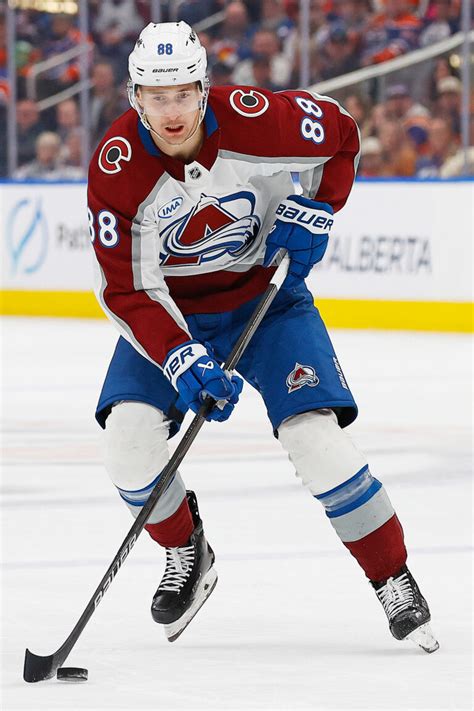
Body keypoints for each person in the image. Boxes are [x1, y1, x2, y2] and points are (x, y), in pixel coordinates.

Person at [87, 21, 439, 652]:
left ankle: (391, 575)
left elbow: (342, 135)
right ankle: (187, 549)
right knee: (128, 445)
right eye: (156, 97)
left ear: (204, 88)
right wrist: (180, 356)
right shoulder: (117, 168)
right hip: (174, 314)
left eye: (183, 93)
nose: (172, 111)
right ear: (135, 97)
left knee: (316, 440)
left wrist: (321, 207)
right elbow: (126, 289)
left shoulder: (259, 120)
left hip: (266, 301)